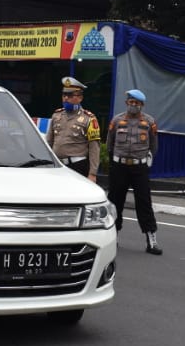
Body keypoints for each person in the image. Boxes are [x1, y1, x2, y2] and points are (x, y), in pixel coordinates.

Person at [106, 89, 162, 255]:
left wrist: (145, 161)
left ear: (142, 105)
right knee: (115, 202)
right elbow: (110, 144)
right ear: (126, 103)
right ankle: (113, 236)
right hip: (119, 167)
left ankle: (151, 240)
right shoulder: (117, 121)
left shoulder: (149, 122)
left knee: (144, 202)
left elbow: (154, 146)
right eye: (131, 102)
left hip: (139, 167)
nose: (133, 105)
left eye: (136, 103)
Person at [46, 76, 100, 183]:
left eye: (70, 95)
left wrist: (92, 173)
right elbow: (49, 142)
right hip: (58, 166)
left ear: (80, 98)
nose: (66, 98)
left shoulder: (89, 118)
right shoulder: (56, 115)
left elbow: (94, 148)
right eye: (64, 95)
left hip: (78, 166)